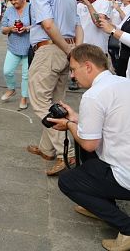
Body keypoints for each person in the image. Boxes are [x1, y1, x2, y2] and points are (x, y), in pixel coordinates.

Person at [47, 44, 130, 251]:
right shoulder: (123, 82)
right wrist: (75, 118)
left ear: (88, 66)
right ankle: (99, 204)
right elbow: (108, 121)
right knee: (87, 153)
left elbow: (89, 143)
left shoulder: (93, 95)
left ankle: (127, 228)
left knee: (67, 181)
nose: (73, 76)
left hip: (125, 174)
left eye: (74, 69)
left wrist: (68, 125)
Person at [26, 0, 83, 177]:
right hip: (66, 47)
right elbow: (78, 24)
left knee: (40, 100)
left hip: (50, 49)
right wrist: (74, 49)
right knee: (56, 102)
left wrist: (67, 49)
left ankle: (65, 152)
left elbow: (48, 25)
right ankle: (47, 148)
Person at [0, 0, 31, 110]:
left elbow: (39, 25)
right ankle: (11, 88)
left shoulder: (32, 8)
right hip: (13, 46)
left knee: (26, 75)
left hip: (29, 47)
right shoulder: (9, 10)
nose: (13, 2)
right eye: (11, 0)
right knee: (7, 71)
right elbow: (2, 29)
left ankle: (24, 97)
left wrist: (26, 28)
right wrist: (10, 29)